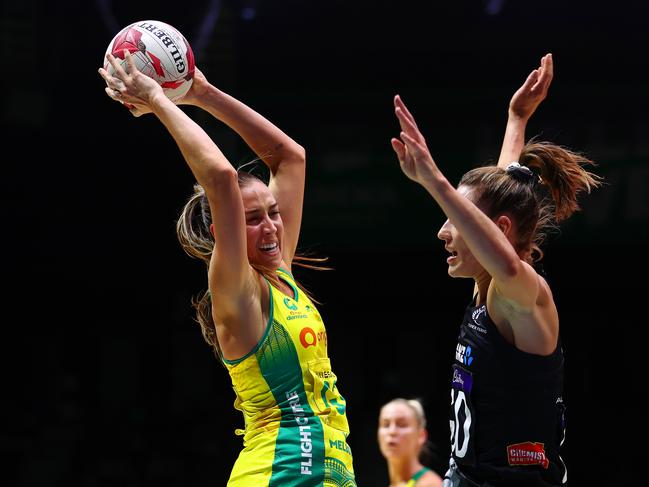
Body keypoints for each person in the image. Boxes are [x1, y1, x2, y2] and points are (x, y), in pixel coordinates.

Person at [99, 50, 356, 486]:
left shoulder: (281, 275)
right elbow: (219, 176)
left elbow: (290, 157)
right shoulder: (240, 288)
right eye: (253, 219)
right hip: (280, 471)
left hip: (329, 469)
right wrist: (159, 100)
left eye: (273, 212)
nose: (273, 226)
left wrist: (200, 92)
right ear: (226, 231)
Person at [390, 53, 602, 486]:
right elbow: (501, 191)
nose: (443, 232)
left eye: (457, 218)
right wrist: (516, 118)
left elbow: (502, 253)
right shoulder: (485, 284)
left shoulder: (523, 294)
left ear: (498, 231)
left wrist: (435, 181)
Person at [378, 398, 443, 487]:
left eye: (402, 425)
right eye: (386, 425)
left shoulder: (430, 484)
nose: (392, 431)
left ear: (421, 435)